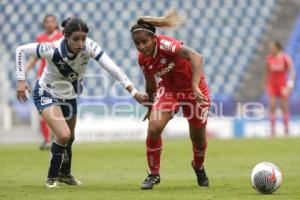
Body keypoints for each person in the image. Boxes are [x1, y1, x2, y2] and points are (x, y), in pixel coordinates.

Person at [16, 17, 147, 188]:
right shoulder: (51, 48)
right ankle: (51, 178)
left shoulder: (90, 47)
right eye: (75, 39)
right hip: (46, 92)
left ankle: (65, 174)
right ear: (65, 37)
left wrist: (134, 91)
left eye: (83, 38)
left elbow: (113, 68)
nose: (80, 43)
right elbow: (20, 50)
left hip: (69, 96)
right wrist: (20, 80)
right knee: (63, 135)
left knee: (70, 138)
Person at [130, 9, 211, 190]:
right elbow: (151, 84)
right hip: (170, 91)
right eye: (137, 44)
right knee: (154, 127)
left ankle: (198, 166)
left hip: (193, 90)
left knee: (198, 139)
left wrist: (195, 85)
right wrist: (151, 107)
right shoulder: (143, 58)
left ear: (153, 38)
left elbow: (197, 57)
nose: (142, 47)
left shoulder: (166, 45)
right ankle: (153, 174)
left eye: (144, 41)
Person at [25, 14, 63, 150]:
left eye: (52, 21)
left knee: (58, 111)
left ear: (56, 23)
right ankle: (48, 140)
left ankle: (58, 138)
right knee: (43, 111)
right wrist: (22, 74)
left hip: (59, 80)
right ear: (44, 24)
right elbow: (34, 58)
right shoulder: (40, 39)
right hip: (42, 78)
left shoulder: (61, 37)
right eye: (47, 22)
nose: (49, 24)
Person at [265, 41, 295, 136]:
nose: (271, 49)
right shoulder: (269, 58)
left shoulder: (285, 58)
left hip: (282, 85)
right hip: (272, 85)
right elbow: (267, 72)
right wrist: (266, 83)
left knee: (284, 107)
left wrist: (289, 85)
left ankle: (286, 130)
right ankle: (273, 131)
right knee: (272, 106)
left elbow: (292, 71)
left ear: (278, 48)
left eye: (273, 47)